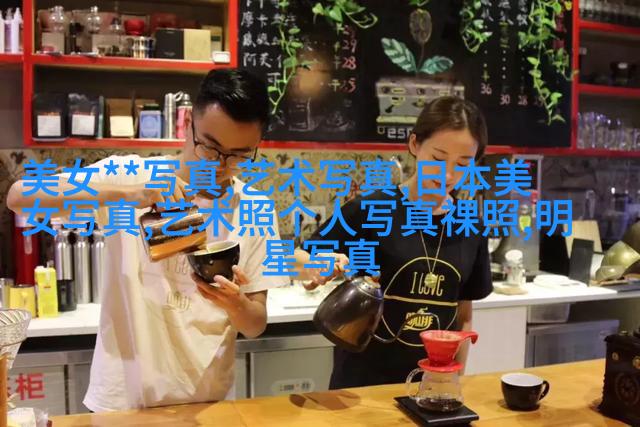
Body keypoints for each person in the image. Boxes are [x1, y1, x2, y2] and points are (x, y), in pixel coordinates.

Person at [7, 69, 284, 411]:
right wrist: (126, 193)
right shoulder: (131, 175)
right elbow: (19, 197)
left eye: (239, 155)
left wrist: (236, 304)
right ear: (187, 125)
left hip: (206, 405)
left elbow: (255, 324)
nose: (220, 165)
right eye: (210, 148)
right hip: (121, 403)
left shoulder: (256, 209)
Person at [294, 96, 493, 389]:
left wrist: (453, 381)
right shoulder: (372, 209)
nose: (449, 174)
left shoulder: (470, 225)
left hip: (430, 387)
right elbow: (295, 258)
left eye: (463, 164)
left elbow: (462, 318)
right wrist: (317, 264)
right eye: (438, 159)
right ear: (415, 144)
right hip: (363, 386)